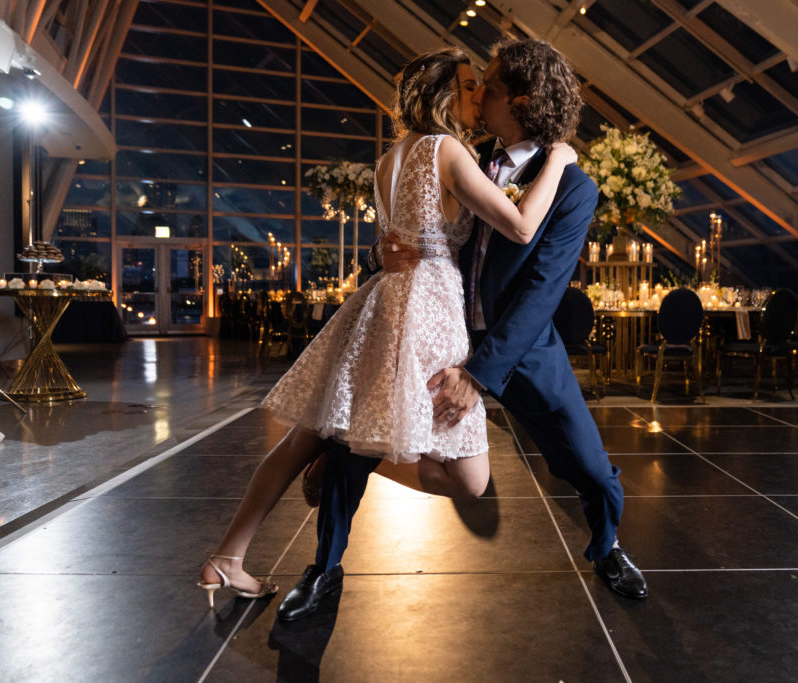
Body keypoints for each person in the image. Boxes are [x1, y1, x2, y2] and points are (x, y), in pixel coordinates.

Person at [276, 38, 646, 623]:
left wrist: (479, 373)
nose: (479, 96)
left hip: (516, 353)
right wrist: (383, 254)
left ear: (520, 102)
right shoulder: (463, 154)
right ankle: (323, 569)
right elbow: (425, 232)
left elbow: (541, 291)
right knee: (358, 442)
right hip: (438, 333)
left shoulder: (573, 187)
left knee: (591, 470)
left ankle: (606, 548)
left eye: (490, 87)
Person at [198, 47, 578, 609]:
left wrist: (389, 251)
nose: (479, 95)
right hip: (425, 309)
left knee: (305, 435)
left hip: (381, 302)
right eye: (470, 86)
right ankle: (351, 457)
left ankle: (227, 556)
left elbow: (409, 231)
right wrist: (559, 161)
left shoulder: (391, 157)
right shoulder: (447, 150)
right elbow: (522, 227)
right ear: (446, 94)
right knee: (469, 480)